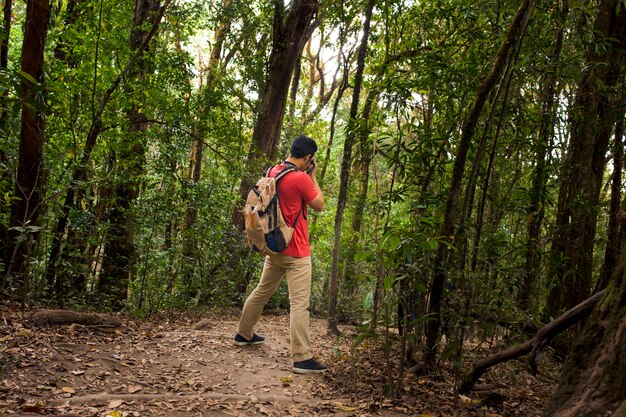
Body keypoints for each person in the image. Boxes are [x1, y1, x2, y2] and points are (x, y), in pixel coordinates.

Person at [234, 135, 327, 374]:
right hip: (296, 251)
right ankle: (301, 358)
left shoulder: (272, 170)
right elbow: (319, 205)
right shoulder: (300, 178)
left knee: (261, 291)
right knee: (299, 305)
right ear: (307, 157)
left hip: (273, 245)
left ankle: (244, 334)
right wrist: (313, 175)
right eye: (310, 160)